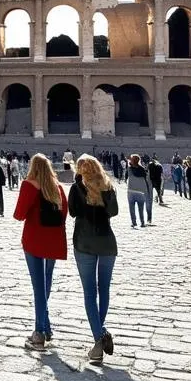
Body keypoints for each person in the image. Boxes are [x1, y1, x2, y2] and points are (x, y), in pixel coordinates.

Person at [13, 154, 68, 351]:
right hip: (53, 242)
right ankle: (47, 328)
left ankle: (38, 334)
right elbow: (64, 213)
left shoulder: (29, 185)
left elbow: (19, 214)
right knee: (45, 284)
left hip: (34, 241)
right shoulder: (57, 187)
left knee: (39, 288)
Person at [69, 155, 120, 364]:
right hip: (107, 243)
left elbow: (72, 212)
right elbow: (114, 212)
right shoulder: (108, 187)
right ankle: (100, 333)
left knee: (90, 294)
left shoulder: (76, 187)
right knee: (104, 290)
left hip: (84, 244)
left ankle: (99, 340)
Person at [126, 154, 153, 227]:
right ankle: (142, 222)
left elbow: (126, 177)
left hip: (131, 191)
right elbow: (146, 179)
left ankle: (134, 222)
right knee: (141, 209)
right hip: (141, 192)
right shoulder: (142, 169)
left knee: (132, 209)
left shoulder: (129, 169)